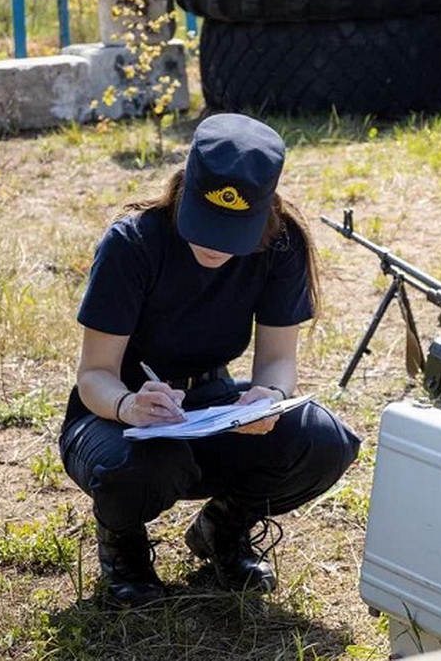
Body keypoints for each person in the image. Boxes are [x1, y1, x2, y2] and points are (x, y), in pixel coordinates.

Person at [59, 113, 362, 606]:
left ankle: (222, 529)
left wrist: (270, 398)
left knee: (323, 440)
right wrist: (131, 406)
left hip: (211, 402)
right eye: (206, 226)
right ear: (184, 191)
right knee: (149, 464)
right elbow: (94, 376)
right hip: (113, 416)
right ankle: (124, 549)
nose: (217, 246)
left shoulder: (281, 243)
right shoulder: (132, 244)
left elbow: (278, 359)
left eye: (233, 233)